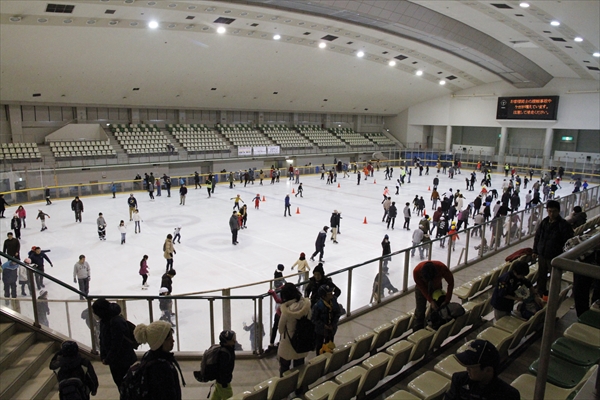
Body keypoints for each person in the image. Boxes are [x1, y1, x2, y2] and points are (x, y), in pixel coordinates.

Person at [445, 339, 520, 400]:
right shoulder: (459, 380)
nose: (467, 369)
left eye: (471, 366)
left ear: (488, 370)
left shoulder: (509, 396)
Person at [92, 299, 137, 388]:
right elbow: (103, 339)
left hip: (122, 359)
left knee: (123, 383)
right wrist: (104, 355)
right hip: (114, 360)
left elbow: (116, 344)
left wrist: (108, 358)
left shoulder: (116, 322)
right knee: (120, 382)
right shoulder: (104, 321)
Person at [533, 200, 574, 295]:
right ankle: (541, 292)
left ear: (558, 211)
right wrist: (535, 250)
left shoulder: (563, 225)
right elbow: (537, 237)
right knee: (541, 275)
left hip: (555, 256)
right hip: (542, 254)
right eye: (550, 211)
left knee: (554, 277)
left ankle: (553, 294)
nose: (551, 213)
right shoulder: (544, 222)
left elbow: (568, 241)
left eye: (554, 211)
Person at [278, 283, 311, 376]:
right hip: (302, 341)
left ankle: (285, 388)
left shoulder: (286, 311)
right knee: (299, 367)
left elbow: (280, 329)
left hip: (288, 343)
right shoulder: (307, 305)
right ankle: (299, 387)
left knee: (284, 368)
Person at [413, 261, 454, 330]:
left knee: (438, 308)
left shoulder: (442, 267)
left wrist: (447, 300)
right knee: (420, 310)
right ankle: (417, 329)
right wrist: (431, 301)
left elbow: (451, 282)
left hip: (436, 286)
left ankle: (435, 327)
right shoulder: (416, 272)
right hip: (421, 288)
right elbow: (422, 288)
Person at [312, 284, 341, 356]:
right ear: (324, 296)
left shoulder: (333, 301)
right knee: (319, 345)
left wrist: (333, 324)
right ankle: (319, 360)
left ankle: (329, 358)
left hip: (331, 329)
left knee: (330, 344)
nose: (332, 294)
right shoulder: (318, 306)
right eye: (329, 294)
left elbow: (337, 313)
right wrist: (324, 325)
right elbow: (314, 319)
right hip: (321, 331)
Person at [209, 330, 237, 400]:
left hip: (221, 381)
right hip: (224, 382)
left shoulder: (228, 349)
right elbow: (222, 370)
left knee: (217, 395)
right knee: (228, 396)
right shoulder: (224, 354)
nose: (235, 341)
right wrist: (224, 383)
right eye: (232, 339)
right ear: (226, 342)